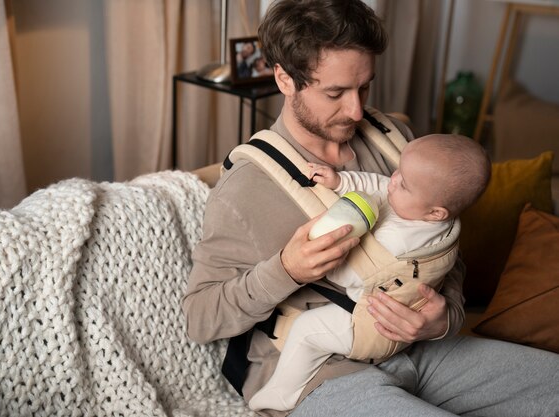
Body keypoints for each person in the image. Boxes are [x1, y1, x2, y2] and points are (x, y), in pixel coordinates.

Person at [183, 1, 559, 416]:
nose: (357, 111)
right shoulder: (247, 187)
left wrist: (444, 318)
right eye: (335, 93)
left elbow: (441, 249)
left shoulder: (396, 139)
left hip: (419, 349)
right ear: (284, 79)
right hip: (321, 372)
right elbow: (201, 319)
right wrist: (286, 270)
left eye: (364, 87)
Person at [248, 134, 491, 412]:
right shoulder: (418, 204)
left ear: (436, 214)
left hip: (374, 327)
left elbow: (350, 276)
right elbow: (378, 184)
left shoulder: (401, 241)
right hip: (385, 316)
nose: (393, 179)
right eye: (398, 170)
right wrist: (341, 183)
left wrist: (320, 259)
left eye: (404, 184)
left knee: (307, 331)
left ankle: (281, 394)